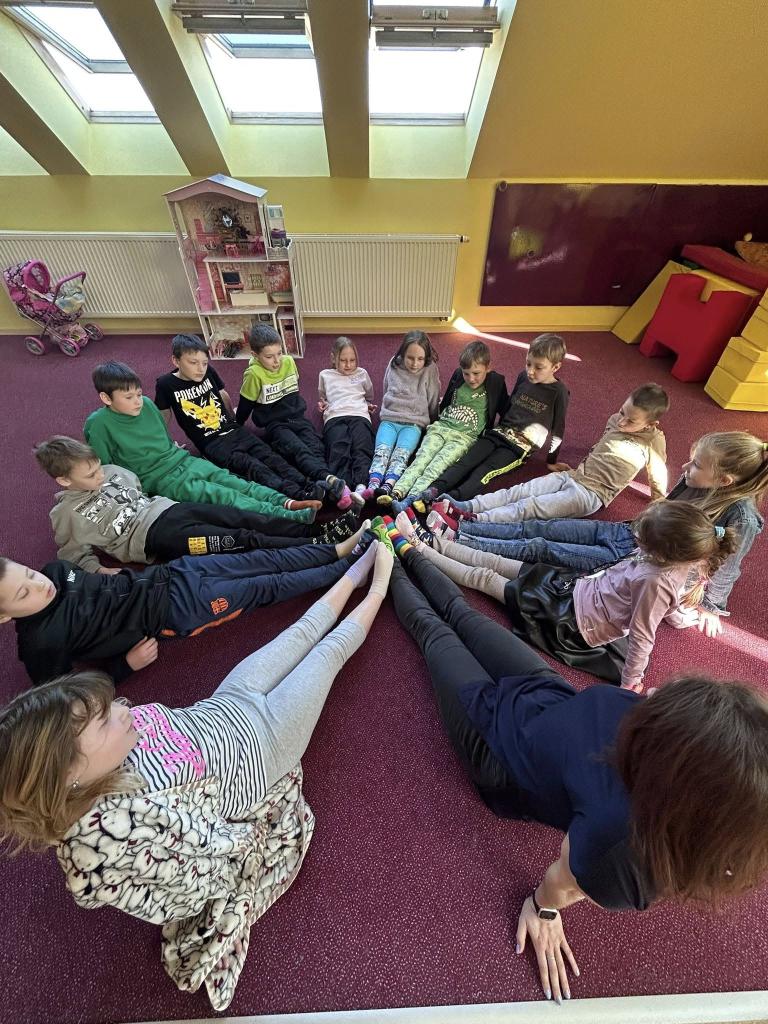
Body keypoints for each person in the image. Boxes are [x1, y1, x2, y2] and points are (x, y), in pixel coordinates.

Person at [0, 542, 393, 1011]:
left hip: (227, 705)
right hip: (263, 751)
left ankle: (358, 567)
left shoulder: (101, 755)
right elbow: (197, 876)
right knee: (328, 653)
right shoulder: (116, 833)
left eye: (107, 706)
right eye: (104, 721)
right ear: (70, 775)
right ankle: (382, 586)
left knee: (301, 631)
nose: (123, 709)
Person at [387, 550, 768, 1004]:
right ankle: (405, 546)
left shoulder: (624, 853)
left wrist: (543, 908)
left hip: (498, 747)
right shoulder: (658, 731)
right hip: (546, 695)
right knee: (462, 614)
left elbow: (564, 880)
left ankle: (385, 559)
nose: (654, 691)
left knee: (433, 630)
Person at [439, 431, 768, 639]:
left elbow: (728, 564)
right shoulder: (694, 478)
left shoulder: (742, 517)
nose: (685, 468)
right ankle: (464, 525)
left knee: (543, 547)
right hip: (628, 531)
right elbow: (664, 510)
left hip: (633, 559)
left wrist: (710, 606)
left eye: (695, 465)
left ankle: (461, 540)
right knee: (545, 527)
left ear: (724, 481)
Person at [387, 500, 737, 691]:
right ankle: (438, 542)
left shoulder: (656, 582)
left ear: (664, 553)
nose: (636, 541)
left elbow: (644, 635)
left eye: (642, 540)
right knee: (500, 562)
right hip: (575, 588)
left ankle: (419, 549)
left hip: (568, 620)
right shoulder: (666, 562)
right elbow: (659, 603)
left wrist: (630, 684)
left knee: (485, 577)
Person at [1, 520, 372, 685]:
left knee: (262, 559)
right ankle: (349, 571)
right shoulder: (40, 642)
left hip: (173, 573)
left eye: (29, 574)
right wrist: (124, 666)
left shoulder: (56, 570)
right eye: (23, 593)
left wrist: (108, 574)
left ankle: (338, 550)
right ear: (4, 616)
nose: (39, 585)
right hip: (177, 610)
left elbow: (88, 580)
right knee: (264, 586)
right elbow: (64, 697)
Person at [34, 436, 362, 570]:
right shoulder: (65, 514)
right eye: (90, 475)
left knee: (241, 517)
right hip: (153, 538)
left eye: (97, 467)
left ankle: (318, 531)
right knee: (241, 540)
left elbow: (138, 489)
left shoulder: (112, 472)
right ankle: (315, 546)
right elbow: (72, 553)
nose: (100, 475)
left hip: (168, 509)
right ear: (64, 481)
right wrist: (101, 571)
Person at [84, 361, 312, 523]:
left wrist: (174, 451)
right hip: (159, 477)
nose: (138, 401)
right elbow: (106, 467)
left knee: (229, 479)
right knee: (220, 495)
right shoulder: (98, 424)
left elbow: (163, 436)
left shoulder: (147, 404)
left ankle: (284, 501)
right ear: (106, 398)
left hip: (182, 459)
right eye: (128, 397)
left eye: (138, 393)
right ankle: (284, 515)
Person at [427, 383, 669, 533]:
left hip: (591, 495)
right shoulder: (616, 420)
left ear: (651, 424)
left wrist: (658, 503)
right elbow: (602, 446)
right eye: (622, 412)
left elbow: (658, 475)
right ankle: (468, 506)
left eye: (631, 421)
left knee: (532, 507)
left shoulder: (653, 441)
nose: (622, 421)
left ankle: (474, 520)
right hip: (573, 476)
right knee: (520, 490)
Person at [154, 333, 327, 506]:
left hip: (233, 429)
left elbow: (223, 395)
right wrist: (166, 444)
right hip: (212, 442)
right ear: (176, 361)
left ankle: (307, 484)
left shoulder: (208, 371)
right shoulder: (165, 384)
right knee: (253, 467)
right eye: (193, 363)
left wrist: (234, 421)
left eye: (204, 363)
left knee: (269, 455)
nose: (200, 369)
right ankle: (297, 494)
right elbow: (162, 415)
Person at [415, 333, 569, 505]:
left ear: (555, 367)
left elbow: (558, 427)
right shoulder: (523, 377)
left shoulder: (559, 392)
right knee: (467, 460)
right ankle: (434, 489)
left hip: (520, 446)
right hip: (498, 432)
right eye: (528, 364)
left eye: (538, 367)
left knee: (485, 471)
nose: (530, 371)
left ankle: (452, 499)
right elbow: (509, 405)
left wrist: (551, 461)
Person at [235, 323, 352, 509]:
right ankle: (328, 479)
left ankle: (323, 485)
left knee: (317, 446)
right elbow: (245, 404)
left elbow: (293, 391)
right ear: (255, 355)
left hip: (297, 417)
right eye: (269, 357)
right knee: (298, 450)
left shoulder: (289, 362)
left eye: (279, 353)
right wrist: (237, 424)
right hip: (275, 424)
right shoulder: (253, 374)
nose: (277, 361)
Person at [387, 340, 509, 508]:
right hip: (441, 427)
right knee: (421, 459)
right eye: (466, 373)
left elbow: (505, 408)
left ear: (488, 368)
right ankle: (397, 492)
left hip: (464, 437)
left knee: (437, 466)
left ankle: (412, 499)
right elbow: (447, 400)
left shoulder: (496, 382)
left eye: (476, 373)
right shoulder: (458, 375)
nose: (471, 379)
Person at [362, 330, 440, 501]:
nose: (415, 363)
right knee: (381, 452)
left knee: (400, 456)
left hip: (413, 424)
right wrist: (386, 408)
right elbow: (386, 387)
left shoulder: (430, 369)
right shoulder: (394, 363)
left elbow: (433, 397)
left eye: (420, 359)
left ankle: (388, 485)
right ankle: (373, 484)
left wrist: (433, 421)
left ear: (426, 357)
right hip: (389, 420)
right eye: (410, 358)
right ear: (402, 354)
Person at [318, 337, 376, 502]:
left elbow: (369, 396)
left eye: (352, 360)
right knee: (338, 449)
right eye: (343, 360)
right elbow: (323, 397)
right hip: (335, 416)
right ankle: (343, 488)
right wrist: (322, 405)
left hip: (359, 414)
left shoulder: (362, 373)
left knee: (362, 447)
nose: (348, 365)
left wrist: (368, 405)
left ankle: (361, 487)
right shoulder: (325, 375)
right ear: (333, 358)